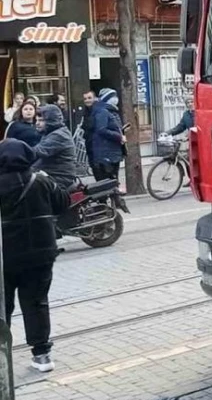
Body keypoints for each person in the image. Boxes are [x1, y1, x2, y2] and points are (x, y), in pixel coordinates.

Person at [0, 139, 71, 373]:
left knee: (2, 306)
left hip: (5, 258)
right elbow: (63, 203)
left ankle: (2, 357)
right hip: (40, 256)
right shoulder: (40, 180)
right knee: (36, 303)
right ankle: (42, 355)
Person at [32, 105, 76, 191]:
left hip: (60, 178)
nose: (37, 123)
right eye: (36, 120)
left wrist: (18, 151)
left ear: (51, 121)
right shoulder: (51, 133)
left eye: (41, 120)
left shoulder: (59, 135)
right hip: (52, 174)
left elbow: (37, 151)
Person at [88, 89, 124, 181]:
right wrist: (119, 136)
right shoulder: (103, 111)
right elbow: (101, 129)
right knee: (108, 180)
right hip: (106, 152)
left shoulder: (110, 110)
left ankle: (114, 194)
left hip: (111, 151)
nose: (116, 99)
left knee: (113, 180)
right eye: (113, 97)